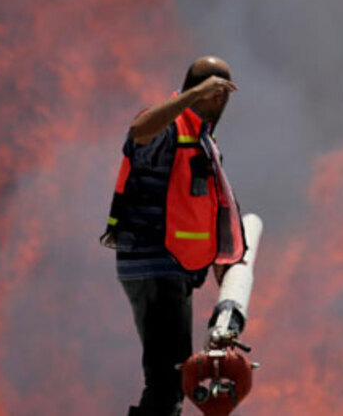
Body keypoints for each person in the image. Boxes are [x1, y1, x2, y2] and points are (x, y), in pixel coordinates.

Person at [101, 56, 246, 416]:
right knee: (169, 380)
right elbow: (139, 131)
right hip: (155, 263)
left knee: (173, 376)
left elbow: (204, 206)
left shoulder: (202, 139)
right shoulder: (170, 126)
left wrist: (219, 258)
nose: (223, 102)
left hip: (175, 268)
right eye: (220, 93)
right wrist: (192, 94)